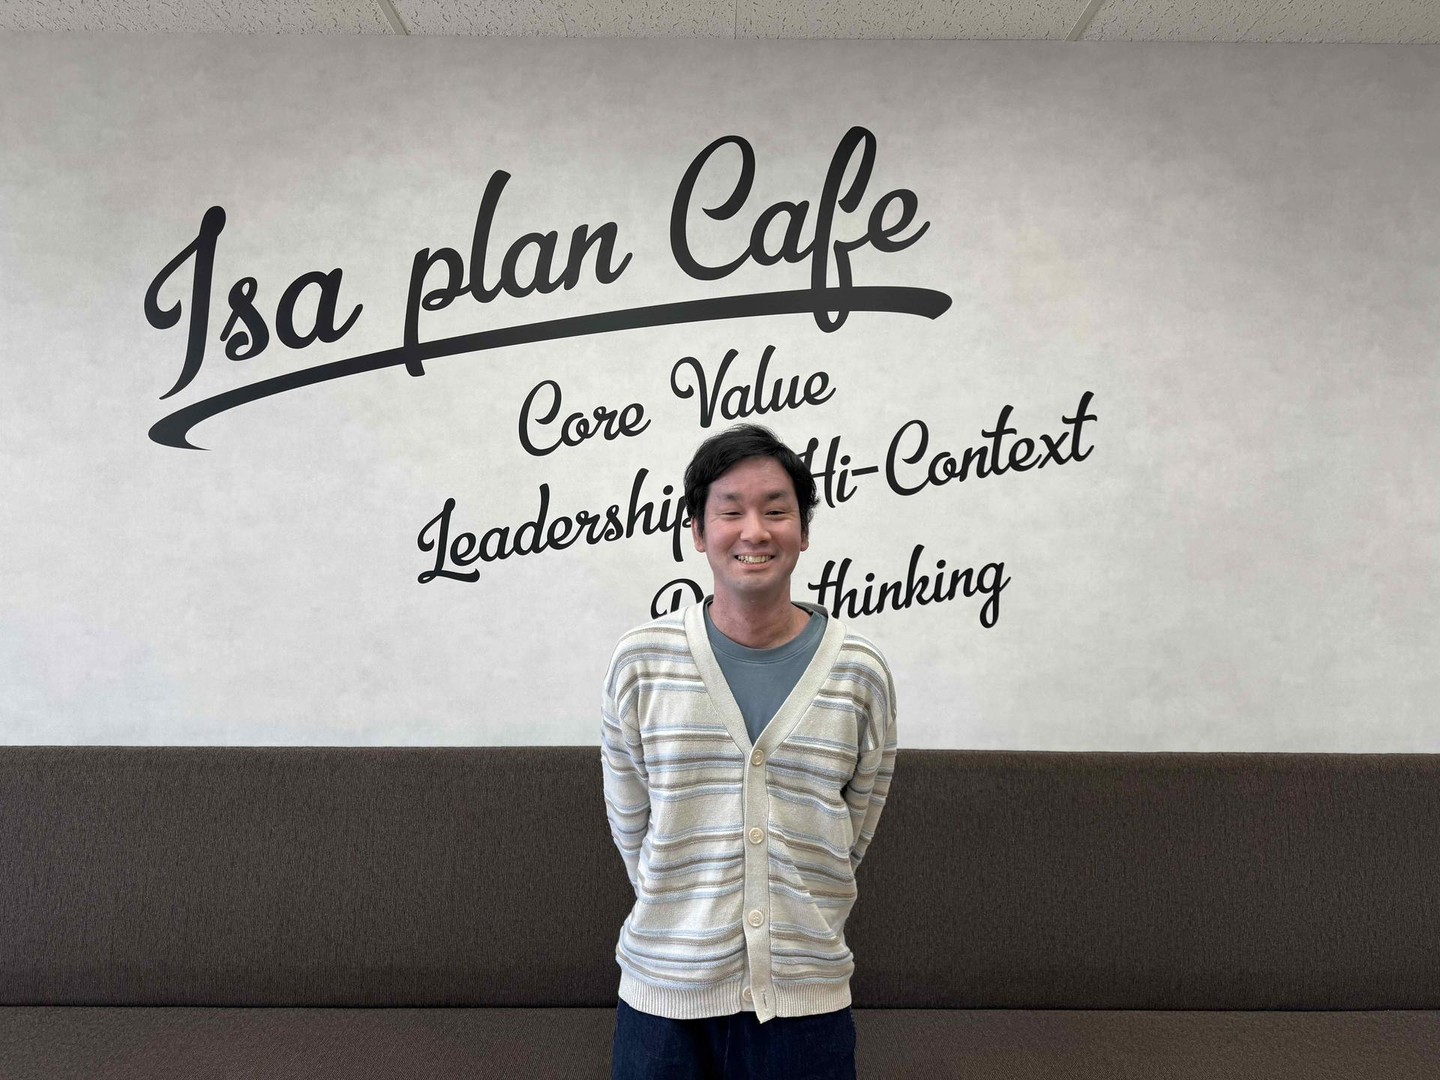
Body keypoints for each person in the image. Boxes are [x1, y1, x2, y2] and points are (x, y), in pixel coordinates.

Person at [602, 423, 898, 1080]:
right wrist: (687, 917)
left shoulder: (859, 671)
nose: (754, 532)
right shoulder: (641, 662)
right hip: (662, 1002)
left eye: (776, 511)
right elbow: (631, 824)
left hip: (807, 1002)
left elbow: (853, 830)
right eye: (730, 511)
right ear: (697, 531)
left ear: (804, 530)